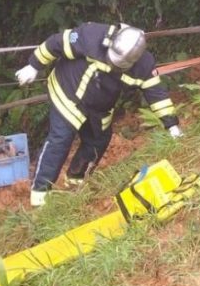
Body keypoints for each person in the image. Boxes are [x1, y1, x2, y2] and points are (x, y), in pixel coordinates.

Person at [15, 22, 183, 207]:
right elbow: (56, 43)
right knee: (60, 139)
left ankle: (75, 182)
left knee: (98, 141)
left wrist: (172, 125)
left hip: (100, 106)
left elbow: (156, 93)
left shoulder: (143, 65)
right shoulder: (91, 36)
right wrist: (33, 65)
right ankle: (40, 197)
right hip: (68, 92)